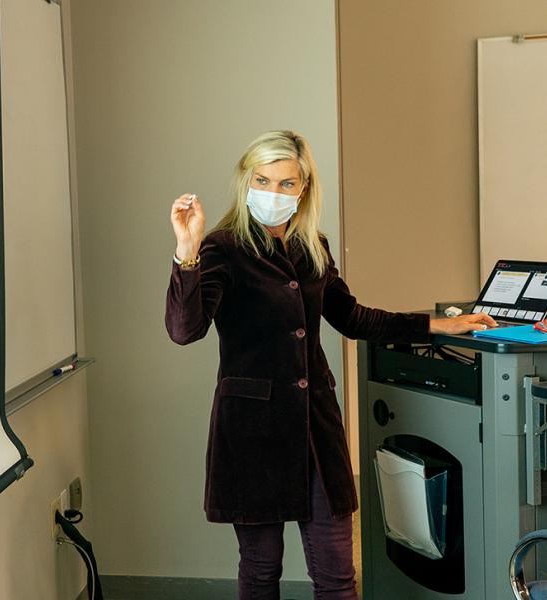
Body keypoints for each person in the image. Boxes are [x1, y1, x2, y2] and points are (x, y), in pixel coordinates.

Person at [164, 130, 496, 600]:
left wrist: (438, 325)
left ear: (303, 190)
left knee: (338, 575)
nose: (273, 193)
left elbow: (353, 317)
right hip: (253, 432)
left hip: (316, 428)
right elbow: (184, 329)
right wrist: (186, 252)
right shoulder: (221, 248)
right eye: (262, 180)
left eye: (286, 184)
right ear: (245, 181)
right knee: (261, 570)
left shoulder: (311, 245)